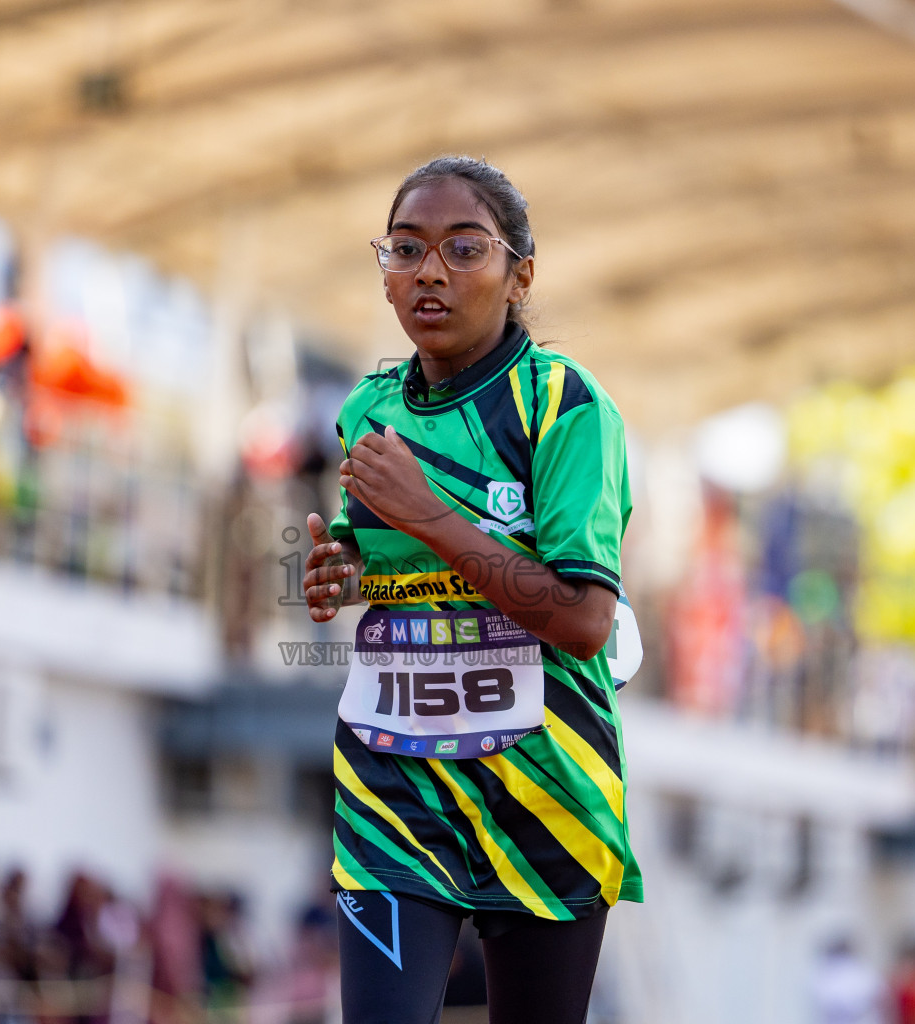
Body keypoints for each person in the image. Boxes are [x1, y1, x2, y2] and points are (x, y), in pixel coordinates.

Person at [302, 156, 641, 1024]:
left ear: (519, 273)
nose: (429, 273)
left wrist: (429, 514)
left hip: (544, 793)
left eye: (463, 249)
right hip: (396, 783)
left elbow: (585, 620)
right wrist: (338, 572)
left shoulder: (565, 406)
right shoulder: (367, 411)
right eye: (405, 250)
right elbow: (378, 559)